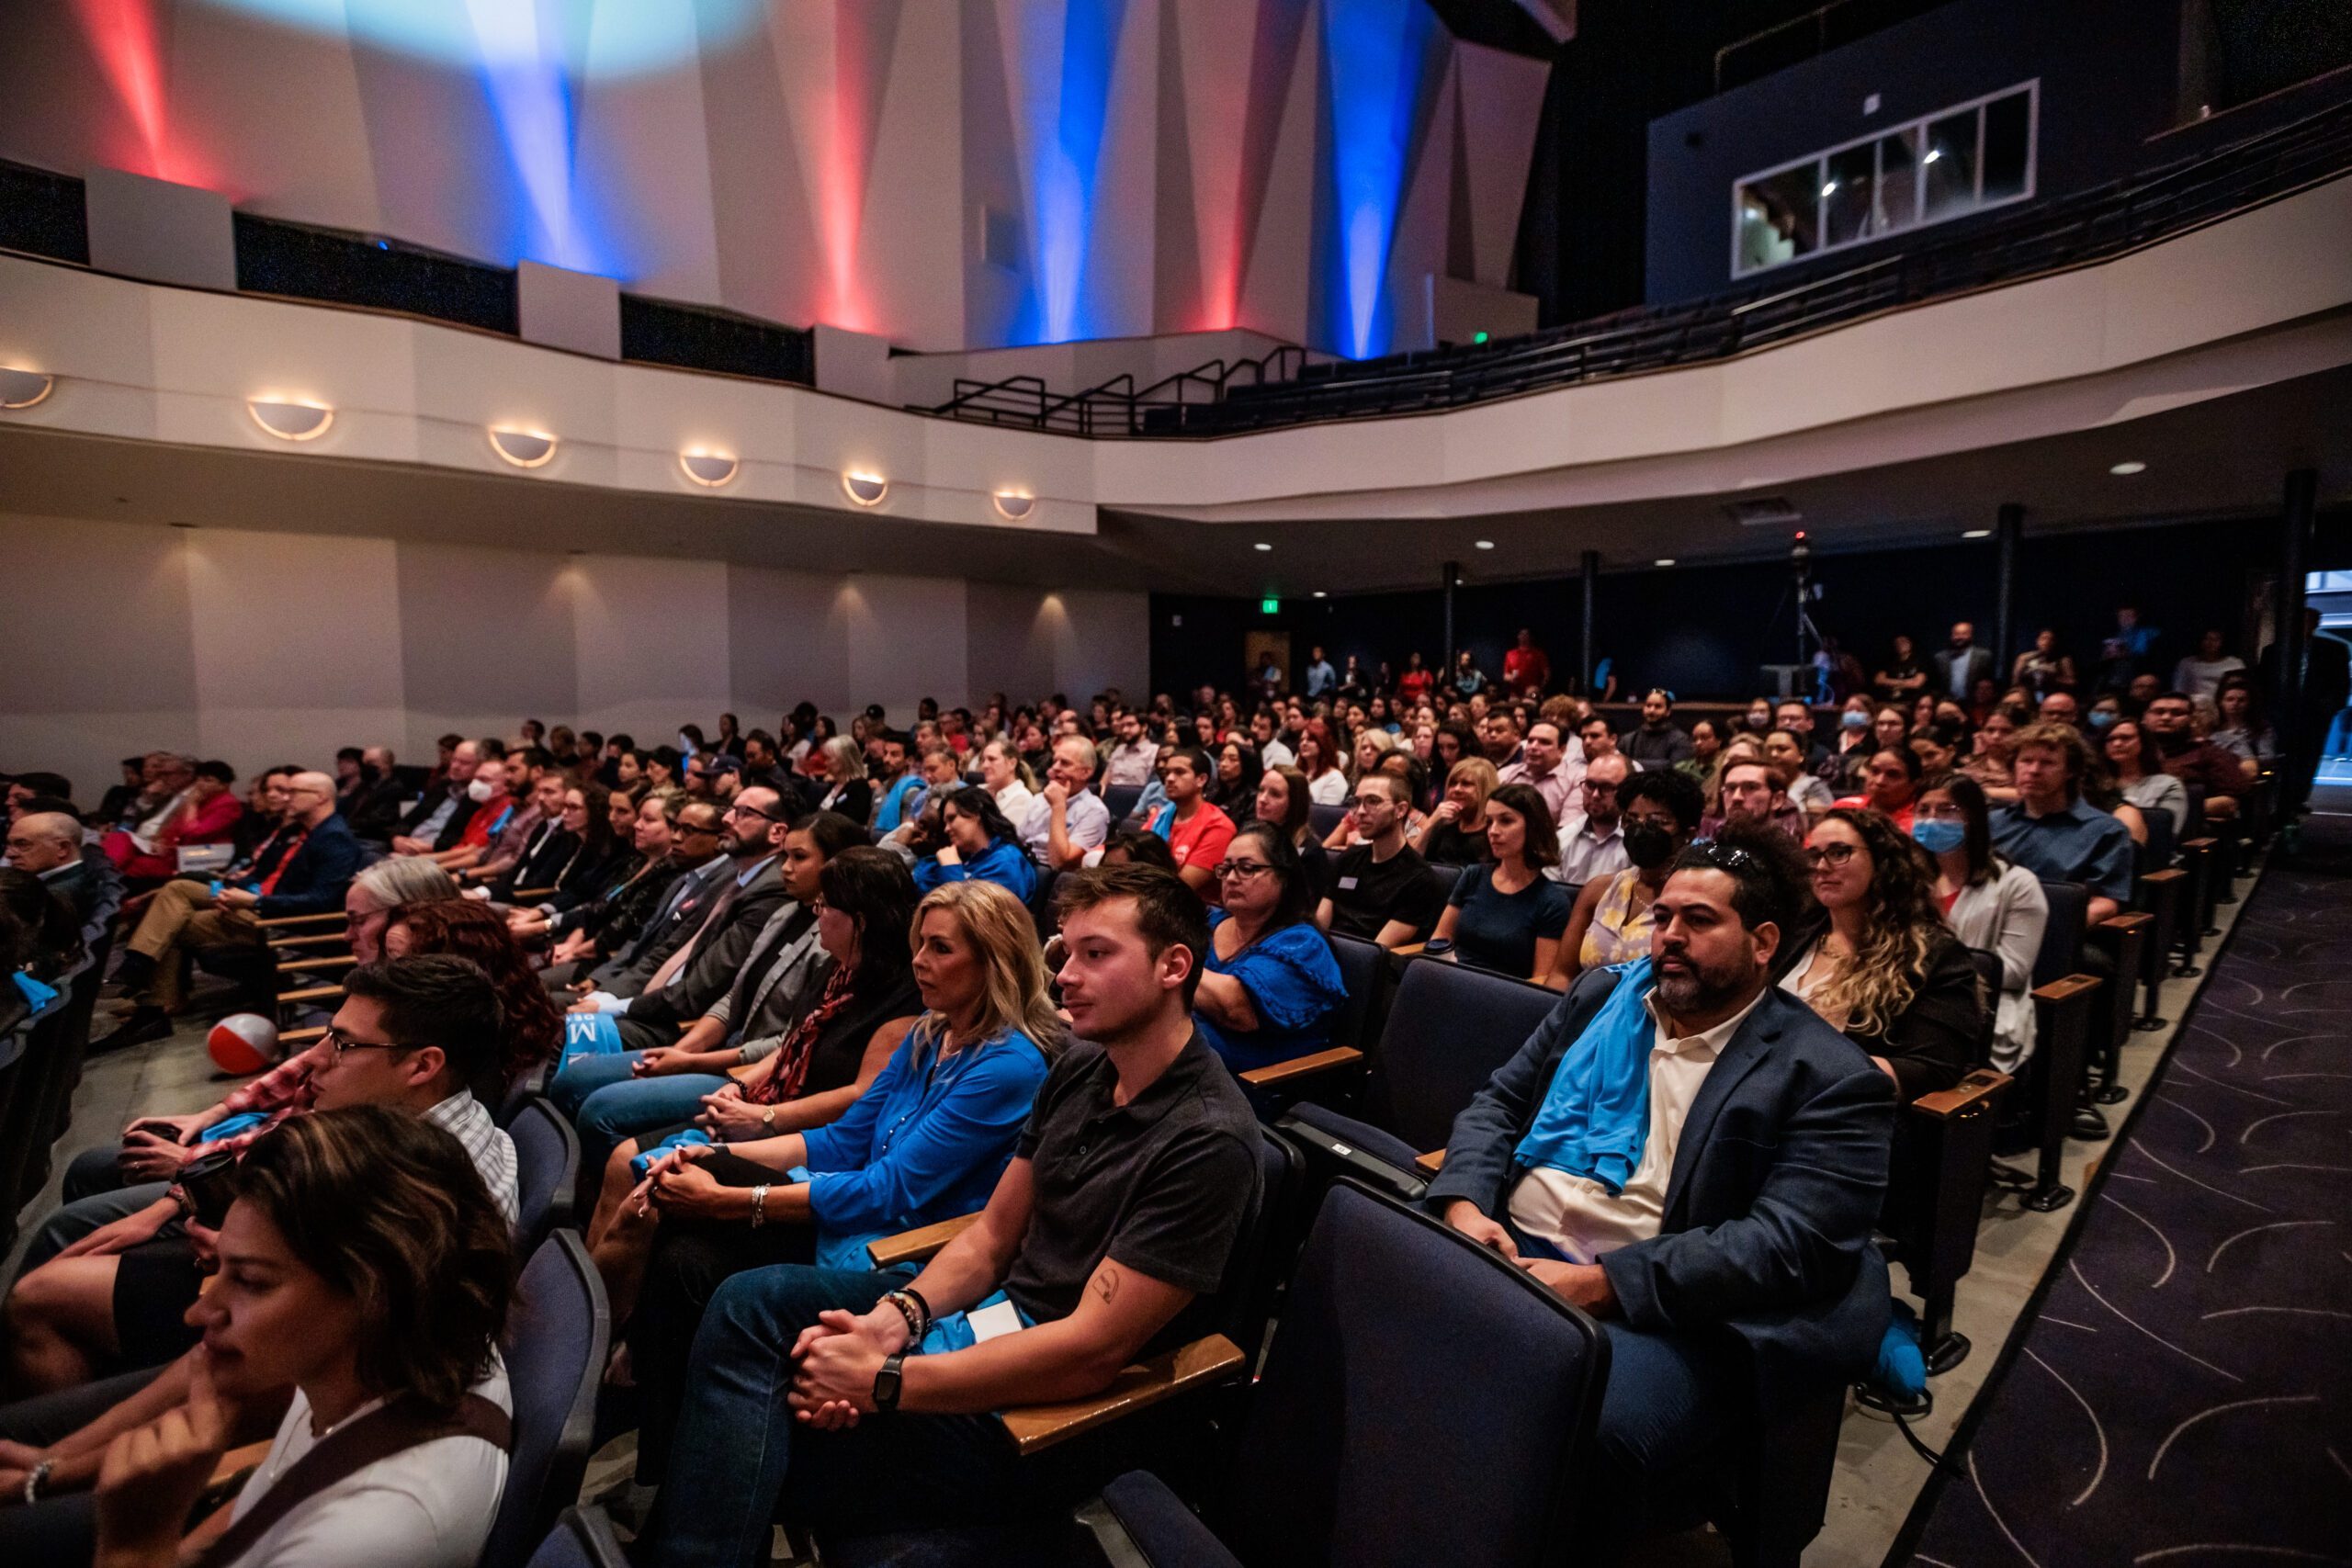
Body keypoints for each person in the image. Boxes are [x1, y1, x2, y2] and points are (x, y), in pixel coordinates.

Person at [1427, 826, 1892, 1558]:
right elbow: (1497, 1103)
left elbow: (1789, 1242)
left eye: (1700, 921)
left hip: (1662, 1309)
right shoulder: (1601, 998)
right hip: (1508, 1247)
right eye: (1664, 916)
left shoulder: (1827, 1074)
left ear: (1764, 941)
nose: (1669, 936)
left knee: (1564, 1418)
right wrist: (1465, 1208)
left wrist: (1600, 1284)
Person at [616, 880, 1060, 1485]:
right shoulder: (930, 1034)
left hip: (902, 1250)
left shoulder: (1011, 1063)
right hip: (848, 1213)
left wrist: (736, 1200)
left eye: (939, 949)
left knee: (692, 1233)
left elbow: (889, 1188)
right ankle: (667, 1450)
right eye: (918, 946)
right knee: (684, 1255)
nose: (919, 962)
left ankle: (667, 1445)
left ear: (993, 961)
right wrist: (717, 1152)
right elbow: (846, 1138)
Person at [4, 956, 518, 1397]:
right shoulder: (420, 1122)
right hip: (285, 1296)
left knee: (41, 1296)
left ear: (423, 1065)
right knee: (67, 1265)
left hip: (314, 1369)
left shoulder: (432, 1178)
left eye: (343, 1044)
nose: (315, 1058)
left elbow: (356, 1333)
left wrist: (239, 1260)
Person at [71, 1107, 514, 1568]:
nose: (198, 1311)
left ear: (372, 1293)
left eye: (253, 1282)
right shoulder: (403, 1347)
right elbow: (266, 1501)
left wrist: (133, 1548)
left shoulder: (366, 1538)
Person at [97, 773, 360, 1051]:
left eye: (293, 792)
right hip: (260, 904)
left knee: (174, 913)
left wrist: (253, 902)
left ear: (320, 797)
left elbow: (320, 901)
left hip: (283, 923)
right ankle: (147, 991)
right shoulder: (307, 831)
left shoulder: (333, 838)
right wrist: (234, 893)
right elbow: (262, 874)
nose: (285, 798)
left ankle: (145, 990)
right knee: (177, 899)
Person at [1778, 810, 1979, 1105]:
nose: (1821, 866)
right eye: (1813, 855)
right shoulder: (1797, 934)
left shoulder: (1936, 957)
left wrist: (1803, 1073)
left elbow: (1931, 1069)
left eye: (1838, 852)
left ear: (1882, 861)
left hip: (1851, 1110)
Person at [1192, 822, 1345, 1076]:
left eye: (1246, 868)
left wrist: (1162, 961)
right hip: (1196, 1062)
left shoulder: (1303, 944)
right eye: (1226, 868)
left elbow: (1235, 1008)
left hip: (1258, 1082)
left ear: (1284, 877)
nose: (1231, 878)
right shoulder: (1210, 923)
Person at [1919, 776, 2048, 1073]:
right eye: (1923, 810)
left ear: (1973, 818)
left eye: (1946, 810)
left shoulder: (2017, 884)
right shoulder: (1913, 881)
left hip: (1985, 1008)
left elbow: (2012, 972)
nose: (1931, 820)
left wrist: (1927, 970)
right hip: (1915, 999)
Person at [1550, 769, 1702, 987]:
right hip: (1583, 1010)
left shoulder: (1693, 901)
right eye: (1631, 820)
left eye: (1656, 821)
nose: (1641, 829)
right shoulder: (1599, 889)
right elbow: (1562, 974)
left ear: (1689, 833)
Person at [1418, 784, 1566, 984]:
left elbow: (1541, 980)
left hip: (1502, 996)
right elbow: (1441, 939)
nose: (1493, 831)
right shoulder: (1474, 875)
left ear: (1533, 826)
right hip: (1452, 980)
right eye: (1489, 822)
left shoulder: (1551, 901)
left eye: (1505, 821)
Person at [1992, 723, 2135, 926]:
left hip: (2057, 930)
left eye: (2047, 763)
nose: (2034, 771)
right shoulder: (1992, 823)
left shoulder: (2106, 830)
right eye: (2026, 761)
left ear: (2070, 771)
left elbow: (2106, 902)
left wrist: (2057, 930)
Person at [1317, 773, 1445, 948]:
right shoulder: (1348, 858)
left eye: (1373, 801)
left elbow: (1376, 952)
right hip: (1324, 953)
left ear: (1400, 810)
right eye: (1357, 802)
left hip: (1365, 964)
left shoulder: (1420, 879)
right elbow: (1320, 926)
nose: (1360, 811)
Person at [101, 761, 241, 884]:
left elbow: (196, 833)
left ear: (224, 785)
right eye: (199, 779)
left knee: (133, 865)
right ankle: (100, 876)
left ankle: (100, 879)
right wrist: (162, 841)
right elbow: (174, 828)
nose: (200, 784)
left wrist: (191, 805)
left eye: (207, 780)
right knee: (119, 838)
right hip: (174, 853)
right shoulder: (201, 799)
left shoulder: (228, 805)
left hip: (197, 857)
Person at [911, 786, 1038, 906]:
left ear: (976, 814)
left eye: (952, 819)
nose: (946, 829)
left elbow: (977, 917)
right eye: (945, 823)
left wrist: (950, 869)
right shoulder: (963, 857)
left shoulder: (1007, 861)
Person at [1137, 749, 1235, 900]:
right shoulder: (1161, 816)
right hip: (1149, 897)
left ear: (1201, 780)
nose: (1169, 778)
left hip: (1191, 912)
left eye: (1179, 772)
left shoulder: (1218, 827)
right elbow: (1134, 856)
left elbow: (1181, 887)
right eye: (1167, 772)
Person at [1021, 736, 1113, 874]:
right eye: (1055, 761)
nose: (1055, 768)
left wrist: (1058, 806)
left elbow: (1059, 862)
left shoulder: (1095, 811)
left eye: (1065, 763)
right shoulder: (1040, 798)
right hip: (1023, 866)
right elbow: (1018, 839)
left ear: (1086, 772)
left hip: (1050, 879)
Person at [1551, 752, 1633, 886]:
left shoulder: (1637, 843)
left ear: (1628, 790)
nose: (1595, 795)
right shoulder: (1562, 838)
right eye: (1590, 785)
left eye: (1606, 787)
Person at [1253, 763, 1330, 903]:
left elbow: (1304, 908)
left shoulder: (1310, 853)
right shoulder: (1250, 837)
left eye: (1275, 794)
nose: (1262, 799)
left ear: (1294, 803)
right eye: (1261, 790)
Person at [390, 739, 481, 856]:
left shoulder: (477, 798)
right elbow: (408, 820)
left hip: (436, 854)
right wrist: (396, 838)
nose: (455, 766)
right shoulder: (442, 787)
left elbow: (458, 838)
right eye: (454, 760)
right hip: (408, 846)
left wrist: (430, 848)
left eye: (464, 763)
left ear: (480, 766)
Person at [2102, 716, 2188, 837]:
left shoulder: (2167, 785)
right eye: (2110, 739)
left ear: (2143, 742)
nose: (2117, 743)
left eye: (2126, 738)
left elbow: (2167, 833)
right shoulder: (2094, 784)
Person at [1411, 757, 1498, 865]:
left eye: (1466, 784)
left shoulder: (1494, 831)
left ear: (1485, 789)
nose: (1456, 789)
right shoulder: (1443, 825)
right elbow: (1411, 864)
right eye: (1453, 783)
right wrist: (1431, 823)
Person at [1498, 719, 1582, 825]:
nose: (1533, 747)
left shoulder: (1576, 780)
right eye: (1530, 741)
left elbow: (1568, 829)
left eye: (1544, 742)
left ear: (1562, 750)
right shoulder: (1505, 773)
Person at [1705, 755, 1807, 840]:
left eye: (1751, 787)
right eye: (1731, 788)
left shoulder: (1788, 859)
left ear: (1777, 800)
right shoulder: (1705, 851)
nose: (1736, 797)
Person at [1834, 746, 1922, 831]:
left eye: (1892, 775)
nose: (1879, 781)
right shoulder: (1843, 806)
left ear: (1913, 785)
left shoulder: (1920, 821)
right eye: (1874, 771)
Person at [2209, 674, 2277, 773]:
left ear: (2249, 703)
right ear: (2220, 702)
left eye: (2241, 700)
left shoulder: (2260, 728)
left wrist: (2243, 760)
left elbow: (2269, 757)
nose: (2235, 704)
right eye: (2230, 699)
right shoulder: (2212, 727)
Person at [1618, 690, 1692, 767]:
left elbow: (1677, 770)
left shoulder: (1681, 740)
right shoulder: (1627, 740)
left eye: (1658, 706)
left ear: (1668, 711)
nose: (1651, 710)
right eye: (1648, 705)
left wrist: (1633, 763)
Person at [813, 736, 875, 826]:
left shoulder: (859, 787)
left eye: (828, 758)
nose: (825, 763)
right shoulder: (832, 785)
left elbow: (851, 821)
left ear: (844, 760)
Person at [978, 739, 1039, 829]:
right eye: (983, 760)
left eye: (992, 759)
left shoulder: (1022, 798)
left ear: (1012, 763)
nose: (985, 765)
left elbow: (1001, 835)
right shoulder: (979, 790)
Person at [2171, 629, 2245, 702]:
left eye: (2215, 639)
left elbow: (2242, 688)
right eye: (2207, 639)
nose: (2211, 643)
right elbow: (2179, 689)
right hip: (2195, 705)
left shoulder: (2234, 663)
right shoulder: (2187, 663)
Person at [1931, 621, 1996, 705]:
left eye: (1964, 634)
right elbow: (1935, 684)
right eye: (1956, 634)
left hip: (1975, 704)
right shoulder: (1940, 658)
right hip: (1946, 703)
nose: (1959, 637)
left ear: (1971, 636)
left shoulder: (1984, 656)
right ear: (1951, 636)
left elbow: (1989, 683)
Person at [2012, 628, 2076, 703]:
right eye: (2044, 638)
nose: (2047, 642)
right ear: (2037, 641)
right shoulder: (2024, 658)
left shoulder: (2062, 660)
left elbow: (2072, 682)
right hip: (2027, 695)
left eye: (2051, 640)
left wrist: (2053, 679)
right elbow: (2015, 681)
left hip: (2052, 696)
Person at [1101, 711, 1159, 791]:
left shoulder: (1154, 751)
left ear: (1144, 727)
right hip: (1111, 796)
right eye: (1123, 726)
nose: (1125, 730)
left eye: (1130, 725)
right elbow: (1103, 783)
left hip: (1137, 798)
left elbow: (1154, 788)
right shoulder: (1119, 749)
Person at [1874, 635, 1926, 701]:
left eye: (1903, 641)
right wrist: (1906, 682)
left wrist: (1891, 683)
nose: (1900, 644)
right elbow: (1878, 680)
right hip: (1890, 698)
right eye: (1897, 643)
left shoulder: (1920, 660)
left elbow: (1917, 683)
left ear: (1910, 643)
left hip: (1912, 699)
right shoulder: (1890, 662)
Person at [1502, 628, 1551, 698]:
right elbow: (1505, 675)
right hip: (1515, 694)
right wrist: (1510, 678)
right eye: (1521, 634)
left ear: (1531, 637)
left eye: (1526, 634)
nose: (1523, 636)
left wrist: (1539, 689)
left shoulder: (1539, 654)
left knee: (1529, 705)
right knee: (1511, 706)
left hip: (1533, 694)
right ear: (1518, 636)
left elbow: (1547, 675)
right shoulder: (1510, 654)